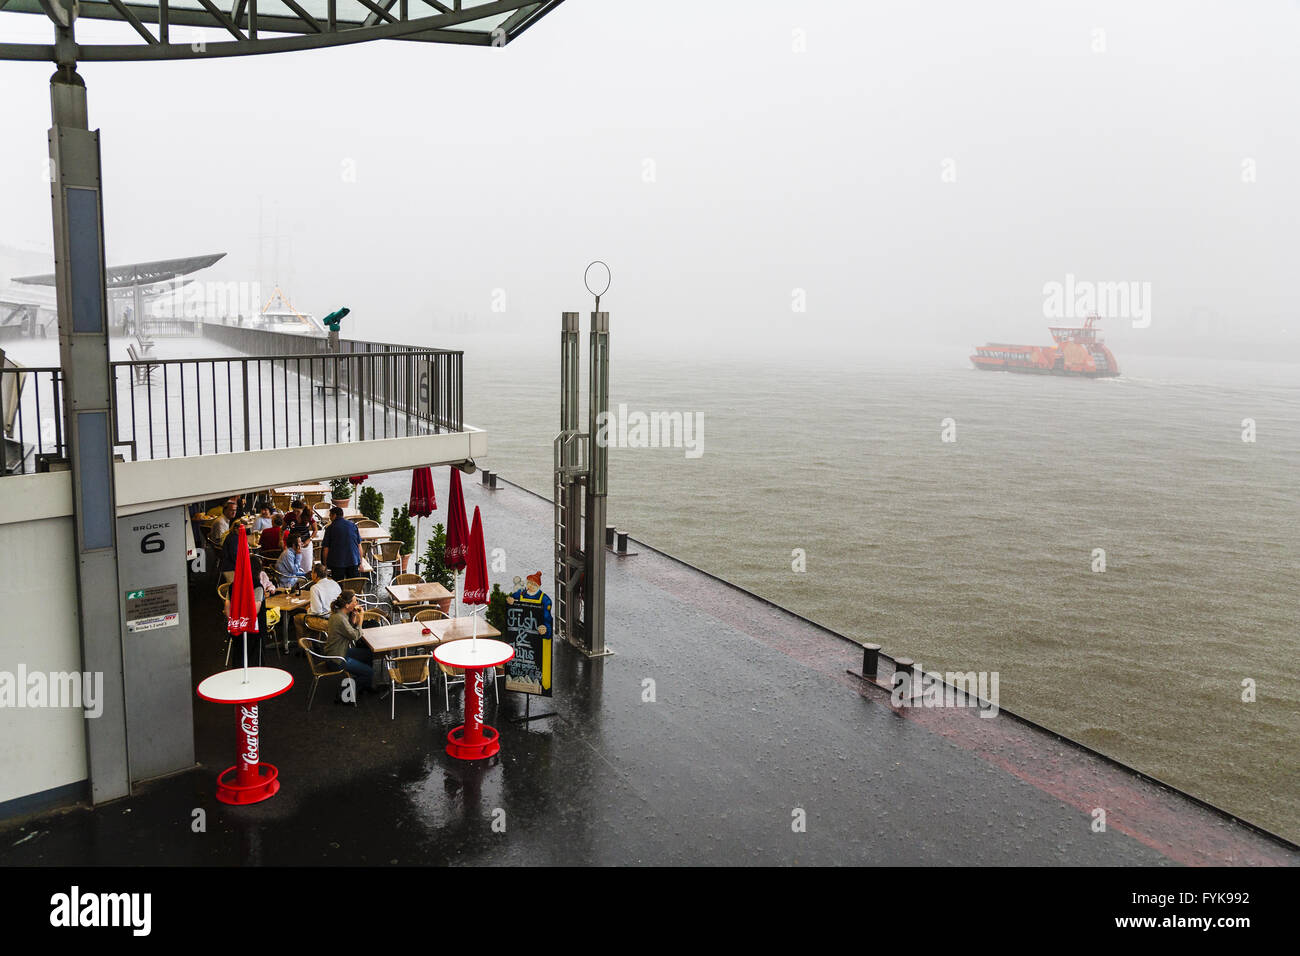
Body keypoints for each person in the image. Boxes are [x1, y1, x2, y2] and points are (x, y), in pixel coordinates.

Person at [325, 590, 374, 691]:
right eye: (354, 602)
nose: (357, 604)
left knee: (369, 654)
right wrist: (361, 620)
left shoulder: (341, 614)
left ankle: (364, 685)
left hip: (341, 651)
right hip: (337, 659)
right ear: (347, 605)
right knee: (370, 672)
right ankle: (344, 693)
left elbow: (348, 630)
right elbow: (355, 636)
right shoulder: (339, 619)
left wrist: (354, 618)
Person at [322, 506, 362, 582]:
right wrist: (360, 563)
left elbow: (326, 549)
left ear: (334, 515)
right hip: (353, 561)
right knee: (353, 585)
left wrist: (325, 565)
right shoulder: (353, 526)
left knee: (337, 587)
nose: (330, 518)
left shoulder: (330, 528)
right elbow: (359, 545)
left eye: (330, 515)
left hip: (337, 563)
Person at [507, 571, 553, 636]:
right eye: (529, 583)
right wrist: (510, 600)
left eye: (534, 585)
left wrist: (545, 628)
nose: (531, 586)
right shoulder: (521, 593)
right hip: (521, 629)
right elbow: (511, 598)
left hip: (536, 632)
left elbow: (547, 617)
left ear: (538, 586)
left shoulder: (545, 599)